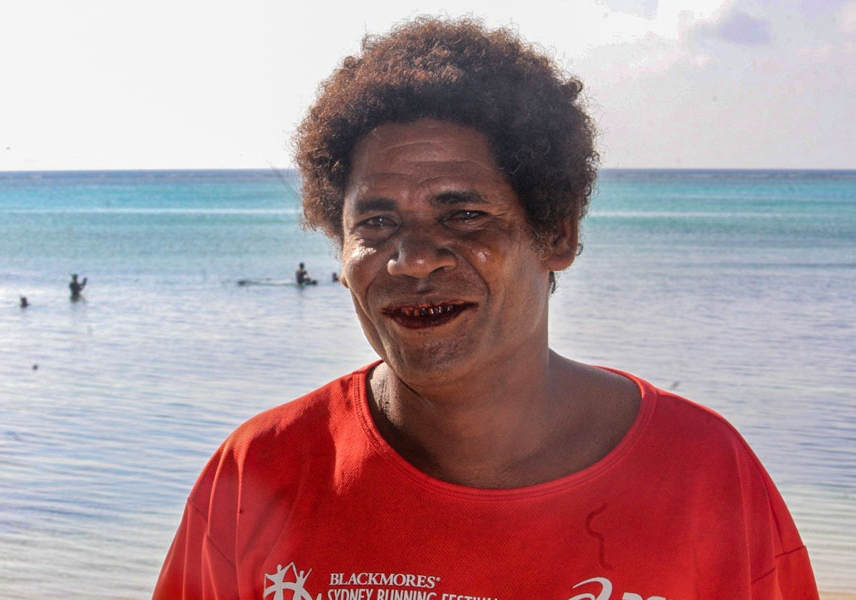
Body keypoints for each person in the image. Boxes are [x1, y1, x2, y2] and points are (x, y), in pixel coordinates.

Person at [153, 18, 817, 600]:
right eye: (376, 222)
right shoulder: (259, 475)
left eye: (465, 214)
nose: (412, 259)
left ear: (556, 234)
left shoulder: (704, 477)